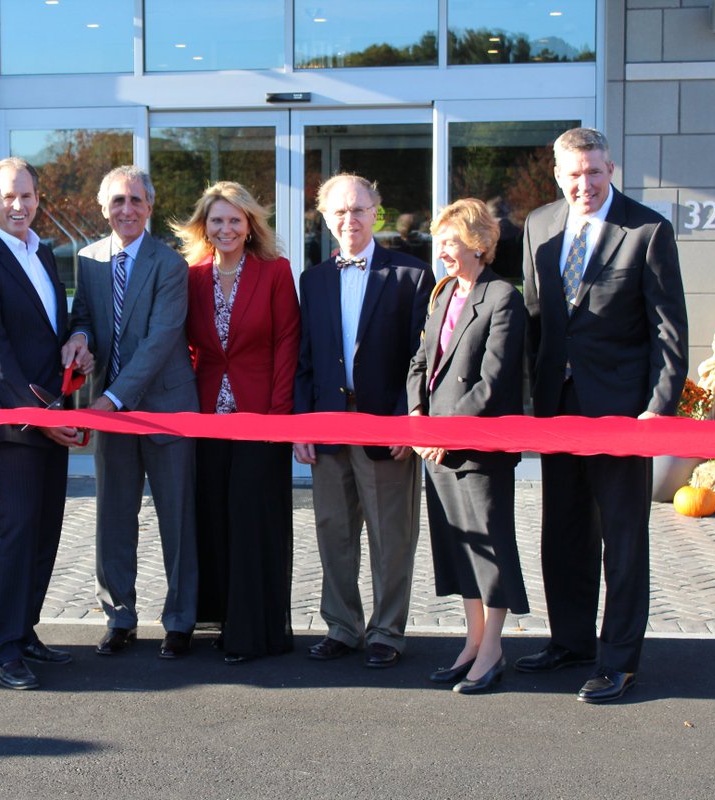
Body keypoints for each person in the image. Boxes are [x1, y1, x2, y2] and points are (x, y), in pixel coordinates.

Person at [518, 127, 688, 703]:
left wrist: (658, 410)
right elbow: (536, 320)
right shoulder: (539, 225)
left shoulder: (646, 230)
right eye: (573, 174)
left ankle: (619, 659)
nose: (584, 184)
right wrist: (525, 403)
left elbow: (669, 330)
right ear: (557, 176)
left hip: (622, 413)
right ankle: (570, 641)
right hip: (558, 407)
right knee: (563, 531)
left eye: (594, 172)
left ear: (610, 169)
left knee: (622, 537)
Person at [0, 158, 87, 690]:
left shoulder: (44, 252)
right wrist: (43, 415)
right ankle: (2, 647)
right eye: (9, 196)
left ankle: (25, 629)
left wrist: (80, 335)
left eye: (28, 196)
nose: (19, 205)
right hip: (14, 419)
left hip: (51, 412)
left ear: (38, 199)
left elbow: (60, 317)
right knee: (16, 530)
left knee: (45, 528)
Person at [292, 173, 431, 669]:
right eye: (338, 212)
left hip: (385, 427)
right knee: (334, 530)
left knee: (391, 535)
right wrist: (302, 424)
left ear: (377, 213)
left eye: (358, 210)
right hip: (329, 423)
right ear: (325, 220)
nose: (349, 219)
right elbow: (305, 357)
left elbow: (422, 357)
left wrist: (405, 424)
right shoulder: (314, 280)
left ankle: (388, 630)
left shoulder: (412, 275)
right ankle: (342, 626)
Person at [61, 165, 200, 659]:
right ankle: (118, 616)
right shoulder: (89, 259)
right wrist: (78, 339)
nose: (127, 209)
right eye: (118, 201)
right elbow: (85, 319)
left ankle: (180, 620)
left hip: (164, 407)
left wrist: (111, 399)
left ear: (150, 206)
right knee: (113, 518)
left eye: (136, 200)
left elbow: (162, 340)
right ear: (104, 208)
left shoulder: (170, 264)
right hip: (110, 410)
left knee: (177, 520)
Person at [406, 198, 529, 694]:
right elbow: (421, 361)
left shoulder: (503, 298)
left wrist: (444, 431)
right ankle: (472, 640)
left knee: (490, 547)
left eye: (450, 243)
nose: (442, 252)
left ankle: (494, 648)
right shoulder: (443, 293)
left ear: (479, 245)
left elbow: (494, 382)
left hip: (476, 448)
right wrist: (417, 420)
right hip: (435, 447)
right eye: (439, 243)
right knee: (459, 548)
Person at [173, 181, 299, 664]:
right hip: (206, 419)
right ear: (204, 226)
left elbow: (288, 343)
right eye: (217, 220)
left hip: (260, 416)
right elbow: (189, 348)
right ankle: (223, 621)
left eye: (235, 220)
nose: (225, 229)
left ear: (250, 226)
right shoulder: (193, 276)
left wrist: (279, 418)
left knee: (253, 523)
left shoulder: (276, 272)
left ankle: (255, 633)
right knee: (215, 521)